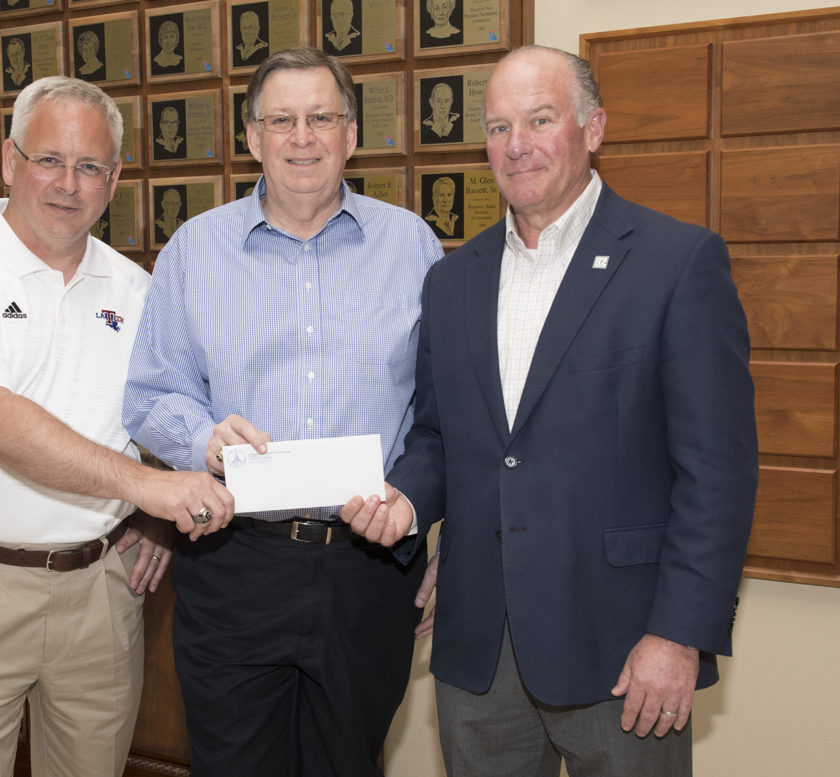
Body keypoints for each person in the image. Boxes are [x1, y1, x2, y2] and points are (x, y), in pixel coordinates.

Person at [340, 45, 759, 777]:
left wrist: (677, 634)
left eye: (540, 119)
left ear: (593, 128)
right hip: (480, 645)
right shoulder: (452, 281)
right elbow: (444, 436)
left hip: (626, 644)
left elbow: (716, 472)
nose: (517, 144)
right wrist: (406, 497)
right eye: (499, 127)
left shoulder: (676, 263)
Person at [0, 75, 234, 777]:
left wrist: (158, 513)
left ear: (114, 180)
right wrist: (151, 487)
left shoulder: (135, 287)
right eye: (49, 159)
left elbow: (166, 410)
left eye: (90, 167)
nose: (67, 184)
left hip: (101, 588)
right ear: (10, 160)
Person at [123, 47, 444, 777]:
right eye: (283, 120)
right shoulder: (194, 252)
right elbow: (147, 396)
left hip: (367, 569)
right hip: (235, 562)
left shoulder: (413, 248)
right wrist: (202, 438)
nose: (303, 137)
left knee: (349, 763)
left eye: (321, 118)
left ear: (352, 134)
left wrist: (432, 524)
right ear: (251, 137)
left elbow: (445, 416)